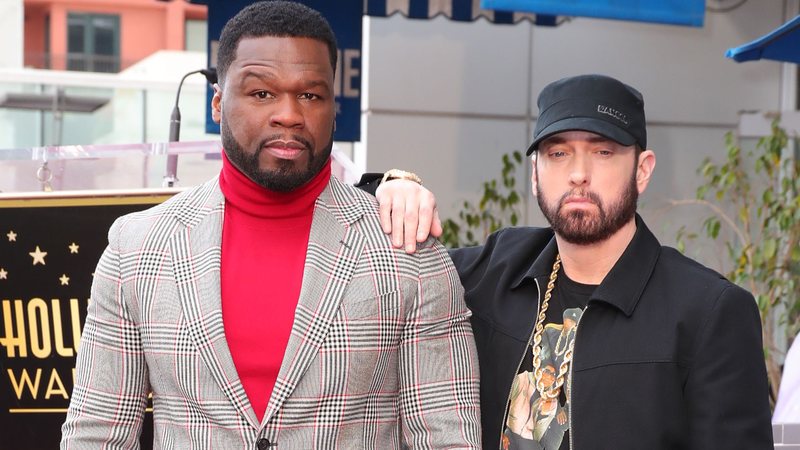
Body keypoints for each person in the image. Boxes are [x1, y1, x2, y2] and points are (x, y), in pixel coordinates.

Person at [61, 2, 481, 448]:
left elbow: (447, 437)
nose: (289, 114)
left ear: (333, 108)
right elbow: (97, 433)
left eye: (310, 95)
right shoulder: (137, 249)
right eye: (262, 93)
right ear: (219, 103)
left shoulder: (408, 252)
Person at [368, 74, 774, 449]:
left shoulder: (708, 311)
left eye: (603, 151)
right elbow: (374, 255)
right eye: (558, 152)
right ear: (535, 173)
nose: (579, 173)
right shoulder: (495, 270)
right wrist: (391, 188)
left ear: (642, 170)